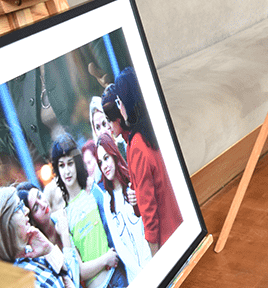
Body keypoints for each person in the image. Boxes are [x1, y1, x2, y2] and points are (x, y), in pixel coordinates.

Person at [102, 66, 182, 254]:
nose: (120, 108)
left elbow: (149, 210)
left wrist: (156, 255)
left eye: (121, 102)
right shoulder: (149, 131)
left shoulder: (136, 145)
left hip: (167, 236)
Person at [51, 134, 127, 288]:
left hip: (118, 278)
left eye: (70, 163)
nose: (67, 171)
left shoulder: (94, 192)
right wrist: (105, 259)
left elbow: (115, 234)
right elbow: (78, 271)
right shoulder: (63, 216)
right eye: (61, 165)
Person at [0, 186, 80, 288]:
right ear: (6, 224)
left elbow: (71, 276)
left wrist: (49, 249)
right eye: (19, 207)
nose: (26, 210)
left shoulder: (30, 251)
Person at [96, 132, 152, 281]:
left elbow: (148, 222)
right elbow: (120, 246)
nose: (104, 166)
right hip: (136, 277)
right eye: (100, 162)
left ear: (114, 154)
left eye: (106, 158)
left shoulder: (132, 183)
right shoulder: (107, 200)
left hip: (153, 260)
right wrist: (140, 273)